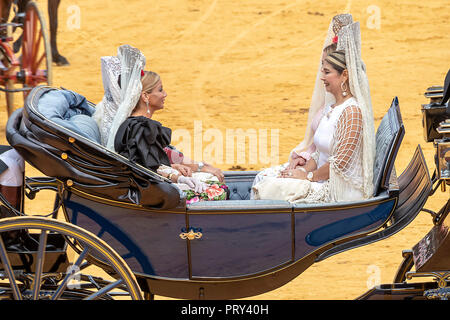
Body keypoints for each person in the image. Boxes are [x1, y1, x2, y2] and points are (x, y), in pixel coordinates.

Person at [252, 18, 375, 203]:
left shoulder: (352, 112)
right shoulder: (333, 108)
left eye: (327, 72)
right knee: (267, 178)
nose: (322, 78)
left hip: (339, 191)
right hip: (321, 179)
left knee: (270, 187)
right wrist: (302, 171)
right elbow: (319, 155)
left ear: (344, 75)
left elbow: (339, 165)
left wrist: (307, 177)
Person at [93, 45, 227, 201]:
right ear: (145, 96)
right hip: (152, 192)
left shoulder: (136, 125)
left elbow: (157, 158)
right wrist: (177, 176)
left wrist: (181, 167)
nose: (165, 94)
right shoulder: (140, 128)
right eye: (160, 90)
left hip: (156, 185)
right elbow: (145, 169)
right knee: (219, 188)